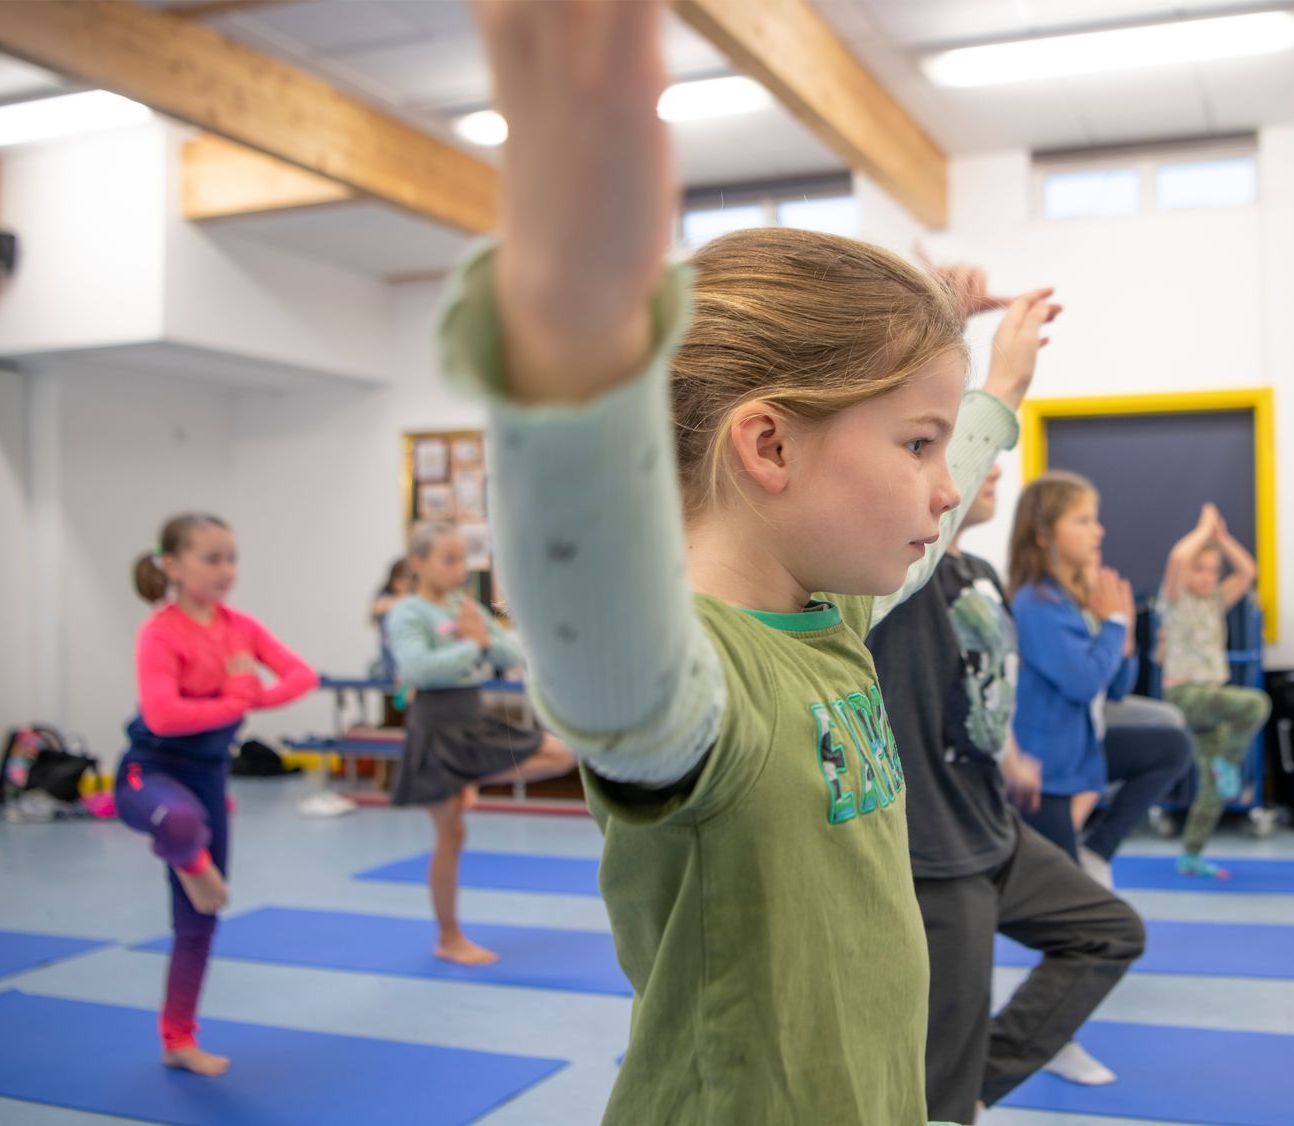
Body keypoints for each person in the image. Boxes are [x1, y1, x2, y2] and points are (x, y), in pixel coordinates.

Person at [445, 3, 1058, 1117]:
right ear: (768, 444)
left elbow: (935, 520)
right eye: (914, 442)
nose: (941, 486)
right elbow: (599, 627)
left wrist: (992, 394)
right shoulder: (703, 689)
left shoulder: (828, 618)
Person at [869, 463, 1145, 1121]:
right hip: (937, 849)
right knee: (939, 1081)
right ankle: (951, 1096)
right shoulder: (898, 580)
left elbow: (981, 684)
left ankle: (973, 1082)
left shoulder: (983, 578)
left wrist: (1012, 753)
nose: (996, 467)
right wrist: (1005, 388)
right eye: (973, 448)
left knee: (1110, 930)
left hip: (992, 821)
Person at [117, 512, 318, 1075]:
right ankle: (188, 856)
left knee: (199, 923)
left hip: (209, 779)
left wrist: (250, 696)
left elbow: (302, 676)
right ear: (173, 566)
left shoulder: (240, 627)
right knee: (181, 827)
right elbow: (163, 714)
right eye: (212, 558)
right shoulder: (160, 631)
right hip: (149, 774)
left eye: (232, 558)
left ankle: (178, 1039)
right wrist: (239, 697)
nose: (227, 569)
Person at [385, 522, 577, 965]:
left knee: (560, 753)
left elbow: (511, 656)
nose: (459, 571)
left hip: (472, 716)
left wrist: (485, 637)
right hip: (436, 723)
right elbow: (418, 669)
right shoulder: (408, 613)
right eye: (448, 560)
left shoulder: (464, 605)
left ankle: (468, 778)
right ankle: (449, 937)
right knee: (451, 833)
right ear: (418, 563)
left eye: (462, 561)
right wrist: (473, 647)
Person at [1007, 471, 1192, 887]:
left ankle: (1097, 848)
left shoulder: (1067, 602)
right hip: (1046, 777)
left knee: (1172, 746)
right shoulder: (1036, 603)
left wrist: (1123, 640)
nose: (1098, 530)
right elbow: (1083, 682)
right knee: (1070, 912)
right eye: (1083, 520)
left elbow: (1116, 688)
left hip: (1080, 758)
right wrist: (1114, 625)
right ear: (1042, 535)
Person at [1158, 503, 1272, 878]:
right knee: (1255, 705)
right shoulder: (1175, 601)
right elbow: (1178, 557)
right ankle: (1228, 763)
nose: (1207, 577)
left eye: (1212, 571)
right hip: (1187, 697)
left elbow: (1248, 571)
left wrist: (1221, 539)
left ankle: (1190, 855)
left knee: (1213, 788)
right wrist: (1203, 530)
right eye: (1200, 569)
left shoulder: (1215, 602)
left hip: (1211, 701)